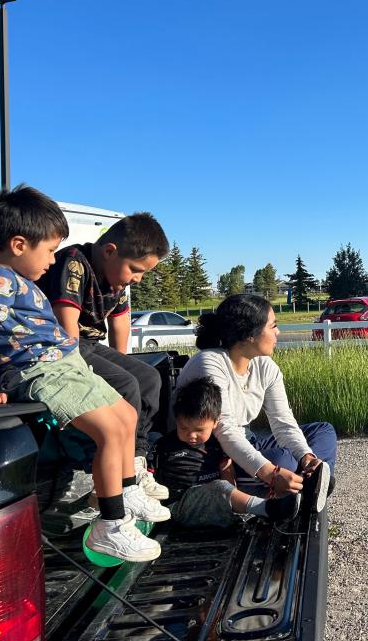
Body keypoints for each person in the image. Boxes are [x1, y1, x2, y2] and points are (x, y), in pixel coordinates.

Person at [0, 185, 168, 562]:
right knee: (107, 430)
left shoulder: (21, 282)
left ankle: (126, 486)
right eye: (50, 249)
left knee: (125, 415)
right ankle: (111, 523)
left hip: (62, 364)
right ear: (20, 244)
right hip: (40, 371)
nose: (53, 260)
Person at [38, 212, 170, 500]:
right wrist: (81, 370)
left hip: (92, 346)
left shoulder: (117, 281)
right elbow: (67, 325)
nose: (138, 278)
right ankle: (121, 480)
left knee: (147, 378)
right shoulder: (74, 264)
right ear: (110, 251)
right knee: (126, 384)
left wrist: (123, 363)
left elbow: (120, 323)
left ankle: (136, 459)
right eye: (136, 270)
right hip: (65, 346)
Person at [176, 294, 336, 513]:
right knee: (283, 460)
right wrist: (271, 473)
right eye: (273, 326)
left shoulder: (265, 367)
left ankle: (310, 483)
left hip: (245, 440)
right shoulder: (210, 363)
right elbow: (226, 431)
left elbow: (283, 422)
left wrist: (307, 458)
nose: (278, 332)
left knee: (323, 431)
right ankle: (292, 490)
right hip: (211, 452)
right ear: (249, 335)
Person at [154, 377, 300, 527]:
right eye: (183, 428)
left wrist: (230, 496)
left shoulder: (218, 444)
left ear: (215, 422)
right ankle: (268, 508)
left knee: (222, 487)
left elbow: (227, 473)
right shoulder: (165, 446)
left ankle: (257, 509)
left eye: (199, 430)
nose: (191, 435)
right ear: (177, 420)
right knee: (219, 488)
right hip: (180, 506)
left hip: (214, 500)